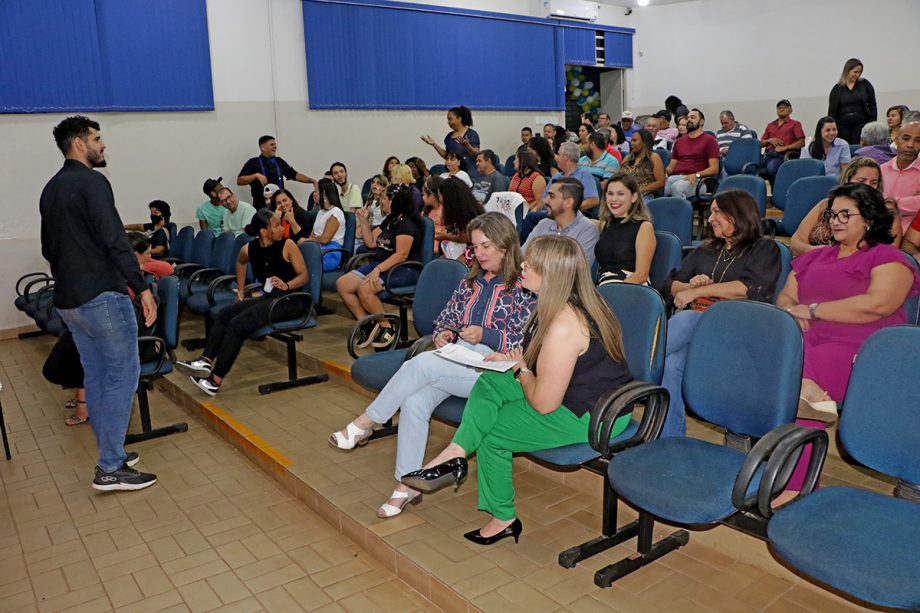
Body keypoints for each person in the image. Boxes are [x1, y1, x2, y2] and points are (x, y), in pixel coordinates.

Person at [400, 235, 633, 545]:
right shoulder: (555, 304)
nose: (522, 266)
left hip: (594, 413)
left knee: (492, 433)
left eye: (530, 264)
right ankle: (454, 454)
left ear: (551, 275)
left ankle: (503, 517)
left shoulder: (565, 323)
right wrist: (518, 361)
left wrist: (522, 369)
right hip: (570, 393)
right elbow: (543, 362)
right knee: (490, 379)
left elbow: (544, 404)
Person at [329, 213, 536, 517]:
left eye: (486, 246)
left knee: (422, 364)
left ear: (506, 246)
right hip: (457, 359)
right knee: (414, 401)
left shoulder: (524, 285)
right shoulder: (471, 281)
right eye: (475, 247)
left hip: (496, 369)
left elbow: (527, 340)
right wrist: (443, 333)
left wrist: (485, 334)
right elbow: (447, 317)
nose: (479, 253)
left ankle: (366, 422)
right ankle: (406, 486)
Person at [39, 116, 158, 491]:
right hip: (102, 297)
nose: (102, 145)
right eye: (96, 138)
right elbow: (115, 239)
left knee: (98, 379)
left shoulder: (51, 188)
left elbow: (48, 248)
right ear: (79, 144)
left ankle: (114, 455)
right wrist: (141, 287)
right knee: (123, 376)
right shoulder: (93, 182)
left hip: (70, 300)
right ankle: (110, 467)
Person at [660, 190, 781, 437]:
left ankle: (633, 369)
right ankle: (669, 438)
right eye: (711, 211)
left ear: (737, 215)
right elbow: (671, 285)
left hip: (737, 332)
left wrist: (699, 293)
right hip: (696, 335)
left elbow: (748, 289)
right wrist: (693, 286)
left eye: (717, 212)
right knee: (671, 365)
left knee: (688, 317)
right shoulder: (707, 250)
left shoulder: (764, 248)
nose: (710, 218)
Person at [44, 231, 174, 428]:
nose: (151, 256)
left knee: (81, 348)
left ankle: (83, 404)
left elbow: (167, 269)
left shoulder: (131, 276)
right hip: (112, 329)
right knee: (74, 344)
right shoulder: (114, 273)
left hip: (125, 337)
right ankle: (84, 394)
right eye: (146, 253)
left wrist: (140, 265)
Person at [176, 208, 308, 395]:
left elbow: (304, 276)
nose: (281, 229)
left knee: (238, 324)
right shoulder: (249, 248)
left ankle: (215, 380)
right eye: (277, 226)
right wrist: (239, 290)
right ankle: (205, 360)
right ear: (264, 231)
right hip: (270, 298)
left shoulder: (288, 245)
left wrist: (287, 285)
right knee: (225, 313)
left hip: (292, 300)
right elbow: (240, 263)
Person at [336, 184, 423, 348]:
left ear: (393, 201)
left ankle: (386, 326)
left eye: (384, 198)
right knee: (343, 284)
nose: (381, 201)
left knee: (365, 288)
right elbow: (370, 242)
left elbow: (401, 255)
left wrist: (378, 269)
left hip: (404, 269)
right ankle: (366, 323)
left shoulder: (406, 223)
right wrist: (363, 222)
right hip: (382, 265)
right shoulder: (390, 219)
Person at [792, 157, 901, 256]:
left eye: (873, 182)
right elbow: (796, 242)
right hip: (812, 261)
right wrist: (817, 252)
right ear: (848, 180)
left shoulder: (886, 213)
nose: (867, 186)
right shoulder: (825, 204)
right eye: (861, 181)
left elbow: (889, 255)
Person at [523, 177, 599, 268]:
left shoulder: (588, 230)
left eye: (551, 196)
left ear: (568, 202)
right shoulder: (543, 224)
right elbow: (522, 255)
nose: (545, 200)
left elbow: (576, 270)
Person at [595, 174, 656, 286]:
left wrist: (614, 291)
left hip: (631, 287)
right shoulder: (604, 225)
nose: (614, 199)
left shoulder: (644, 227)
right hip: (605, 285)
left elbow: (641, 275)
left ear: (634, 197)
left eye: (621, 194)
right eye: (610, 194)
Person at [237, 135, 318, 209]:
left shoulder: (279, 161)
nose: (275, 147)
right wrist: (256, 176)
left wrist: (312, 181)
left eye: (275, 144)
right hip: (262, 205)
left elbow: (294, 175)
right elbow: (240, 180)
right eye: (271, 145)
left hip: (280, 204)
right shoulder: (253, 162)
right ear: (262, 147)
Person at [664, 109, 720, 198]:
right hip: (679, 177)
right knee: (664, 186)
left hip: (698, 180)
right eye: (688, 117)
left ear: (701, 122)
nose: (689, 119)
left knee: (676, 187)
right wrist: (662, 174)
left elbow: (714, 168)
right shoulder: (679, 142)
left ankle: (680, 211)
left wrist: (696, 175)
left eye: (693, 117)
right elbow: (671, 168)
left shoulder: (710, 140)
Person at [881, 112, 920, 232]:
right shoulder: (880, 170)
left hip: (910, 238)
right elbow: (871, 202)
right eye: (906, 138)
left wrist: (890, 203)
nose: (910, 145)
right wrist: (909, 203)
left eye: (918, 140)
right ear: (897, 140)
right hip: (878, 233)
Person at [827, 58, 877, 145]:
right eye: (855, 72)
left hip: (861, 124)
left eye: (859, 72)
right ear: (847, 71)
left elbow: (873, 105)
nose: (857, 75)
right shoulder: (837, 89)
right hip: (842, 126)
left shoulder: (865, 84)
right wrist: (831, 128)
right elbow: (832, 111)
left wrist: (872, 123)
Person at [421, 105, 480, 178]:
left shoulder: (471, 134)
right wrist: (434, 144)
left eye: (450, 119)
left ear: (459, 119)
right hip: (452, 172)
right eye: (448, 119)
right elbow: (447, 155)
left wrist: (467, 145)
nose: (448, 122)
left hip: (469, 172)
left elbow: (477, 154)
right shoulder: (449, 136)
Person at [760, 99, 806, 183]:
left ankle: (778, 192)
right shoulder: (770, 125)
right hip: (767, 155)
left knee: (771, 167)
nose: (781, 109)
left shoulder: (795, 124)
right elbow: (761, 143)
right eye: (779, 108)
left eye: (784, 107)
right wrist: (769, 140)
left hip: (783, 155)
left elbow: (801, 142)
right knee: (750, 167)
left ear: (790, 110)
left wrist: (785, 148)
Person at [619, 128, 666, 197]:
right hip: (625, 194)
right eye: (631, 141)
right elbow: (619, 177)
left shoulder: (653, 157)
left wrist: (639, 191)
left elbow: (661, 182)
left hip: (644, 195)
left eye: (635, 141)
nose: (631, 143)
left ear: (644, 142)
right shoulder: (628, 158)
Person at [509, 146, 547, 211]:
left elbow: (539, 200)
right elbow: (510, 193)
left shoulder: (537, 178)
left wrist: (526, 209)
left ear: (523, 161)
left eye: (516, 159)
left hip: (528, 210)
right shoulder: (516, 175)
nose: (513, 162)